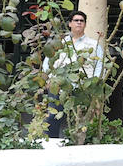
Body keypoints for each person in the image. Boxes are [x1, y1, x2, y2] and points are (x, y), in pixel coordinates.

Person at [41, 10, 105, 140]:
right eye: (76, 20)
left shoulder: (93, 44)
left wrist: (95, 83)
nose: (79, 23)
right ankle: (51, 145)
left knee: (80, 121)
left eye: (82, 21)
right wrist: (48, 79)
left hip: (82, 88)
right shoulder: (60, 43)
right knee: (53, 117)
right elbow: (48, 61)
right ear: (70, 23)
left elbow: (100, 65)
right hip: (59, 87)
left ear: (85, 25)